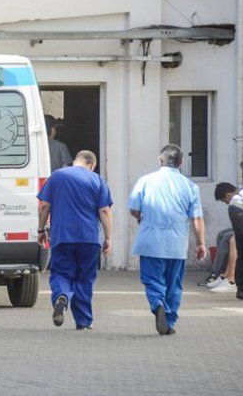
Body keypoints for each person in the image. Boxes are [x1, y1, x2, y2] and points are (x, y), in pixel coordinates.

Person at [129, 144, 206, 335]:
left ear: (160, 160)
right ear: (181, 162)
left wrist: (141, 217)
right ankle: (170, 322)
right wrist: (201, 243)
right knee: (174, 284)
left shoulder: (145, 181)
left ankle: (157, 303)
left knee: (152, 280)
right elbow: (197, 218)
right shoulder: (190, 186)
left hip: (151, 242)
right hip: (177, 244)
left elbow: (134, 208)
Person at [37, 150, 112, 330]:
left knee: (62, 273)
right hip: (89, 238)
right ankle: (84, 321)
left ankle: (61, 296)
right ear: (92, 165)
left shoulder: (57, 176)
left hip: (62, 236)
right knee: (84, 279)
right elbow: (104, 211)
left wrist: (41, 229)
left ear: (75, 161)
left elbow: (44, 205)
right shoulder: (97, 180)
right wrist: (108, 237)